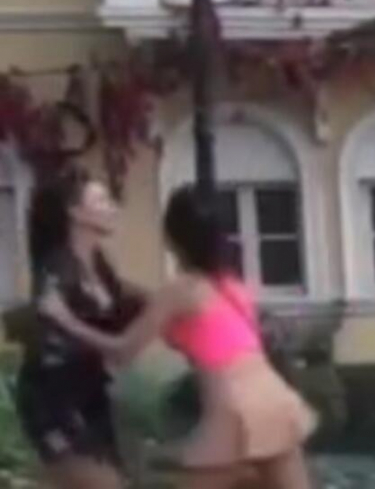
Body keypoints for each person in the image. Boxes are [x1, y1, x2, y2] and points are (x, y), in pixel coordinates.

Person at [41, 184, 318, 489]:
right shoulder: (231, 286)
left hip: (234, 410)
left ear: (172, 237)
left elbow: (122, 351)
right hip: (274, 401)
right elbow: (202, 323)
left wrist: (65, 320)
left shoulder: (179, 291)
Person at [16, 168, 144, 489]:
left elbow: (123, 315)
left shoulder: (99, 265)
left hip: (90, 396)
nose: (111, 207)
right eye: (101, 200)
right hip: (55, 401)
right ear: (75, 212)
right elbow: (50, 353)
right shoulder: (58, 271)